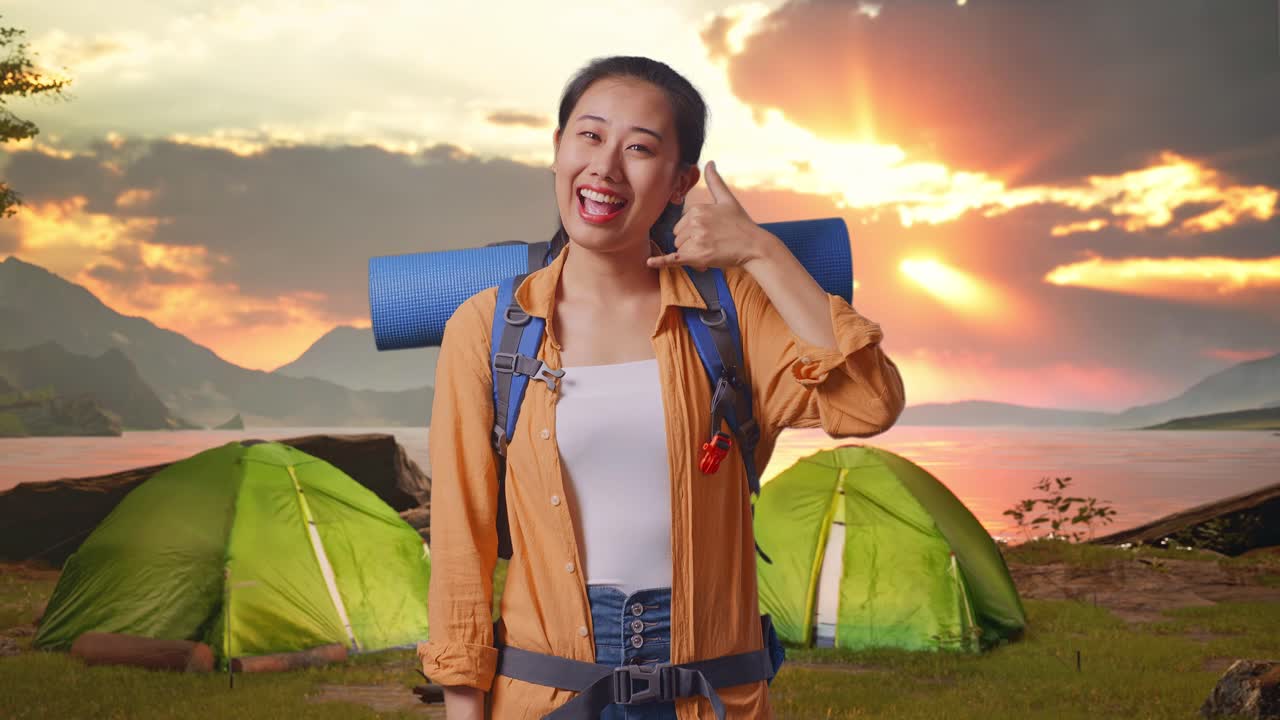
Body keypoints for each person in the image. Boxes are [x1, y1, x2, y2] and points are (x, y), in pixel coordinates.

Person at [418, 55, 906, 719]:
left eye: (640, 148)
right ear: (558, 152)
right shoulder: (488, 329)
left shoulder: (728, 310)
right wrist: (463, 708)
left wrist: (761, 251)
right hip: (547, 691)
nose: (606, 168)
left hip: (710, 692)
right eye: (588, 136)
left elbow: (869, 404)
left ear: (679, 183)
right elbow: (460, 540)